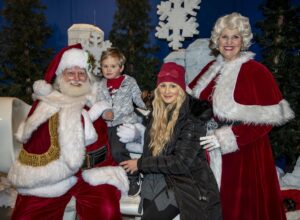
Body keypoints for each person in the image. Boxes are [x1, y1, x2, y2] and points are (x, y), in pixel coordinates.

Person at [188, 12, 295, 220]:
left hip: (245, 155)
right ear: (217, 40)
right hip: (209, 151)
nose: (229, 42)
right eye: (224, 37)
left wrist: (225, 137)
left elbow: (265, 122)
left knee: (240, 209)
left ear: (243, 40)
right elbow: (190, 102)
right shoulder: (211, 69)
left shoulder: (257, 71)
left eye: (235, 37)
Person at [7, 44, 128, 220]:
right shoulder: (46, 105)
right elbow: (33, 143)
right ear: (60, 76)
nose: (76, 78)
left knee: (107, 212)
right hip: (53, 176)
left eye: (81, 73)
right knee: (27, 215)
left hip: (94, 173)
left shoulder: (98, 102)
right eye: (70, 73)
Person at [119, 62, 222, 220]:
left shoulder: (193, 118)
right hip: (157, 178)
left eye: (173, 86)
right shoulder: (158, 112)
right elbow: (152, 151)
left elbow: (180, 163)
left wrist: (140, 164)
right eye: (163, 86)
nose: (167, 91)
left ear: (181, 88)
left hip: (186, 182)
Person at [96, 47, 148, 197]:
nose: (108, 69)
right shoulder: (101, 85)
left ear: (121, 67)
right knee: (103, 151)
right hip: (107, 124)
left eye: (113, 66)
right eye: (105, 66)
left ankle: (134, 175)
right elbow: (99, 102)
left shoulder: (129, 82)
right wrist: (104, 112)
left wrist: (149, 105)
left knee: (117, 150)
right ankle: (112, 179)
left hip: (125, 122)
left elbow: (138, 99)